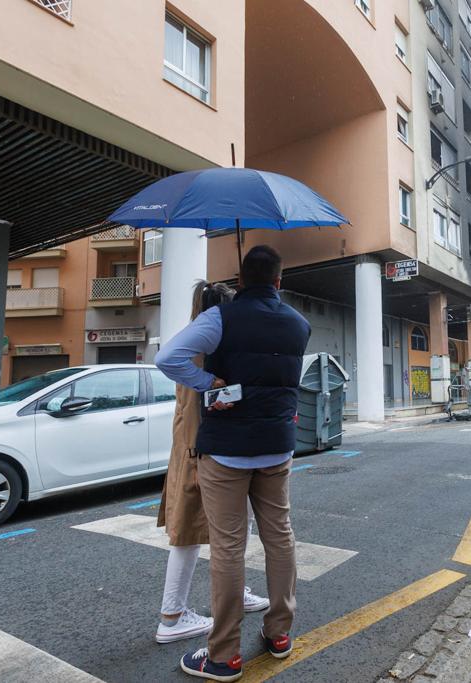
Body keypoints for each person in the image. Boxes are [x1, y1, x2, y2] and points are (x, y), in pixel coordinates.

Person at [156, 246, 310, 682]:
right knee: (280, 537)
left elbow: (168, 359)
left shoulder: (219, 318)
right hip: (278, 447)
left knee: (228, 547)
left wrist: (207, 382)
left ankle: (223, 656)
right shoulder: (299, 324)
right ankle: (279, 634)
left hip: (225, 451)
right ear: (279, 282)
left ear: (240, 281)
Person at [155, 281, 270, 646]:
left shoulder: (196, 341)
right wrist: (213, 383)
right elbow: (201, 394)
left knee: (234, 526)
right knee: (189, 533)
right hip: (197, 451)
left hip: (196, 448)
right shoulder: (202, 349)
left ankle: (235, 592)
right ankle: (172, 617)